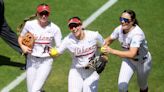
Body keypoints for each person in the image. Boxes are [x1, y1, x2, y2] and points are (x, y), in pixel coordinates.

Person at [50, 17, 105, 92]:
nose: (74, 28)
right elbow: (57, 53)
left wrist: (104, 58)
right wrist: (51, 52)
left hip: (92, 72)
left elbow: (105, 47)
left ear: (81, 25)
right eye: (71, 27)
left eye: (76, 25)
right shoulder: (68, 40)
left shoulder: (94, 36)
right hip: (76, 71)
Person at [101, 10, 152, 92]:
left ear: (132, 21)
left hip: (143, 62)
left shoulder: (137, 34)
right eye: (121, 19)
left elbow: (132, 53)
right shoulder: (119, 29)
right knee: (122, 87)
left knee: (142, 86)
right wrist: (98, 46)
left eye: (126, 20)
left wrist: (111, 51)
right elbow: (108, 40)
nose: (122, 22)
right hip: (128, 60)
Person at [18, 3, 62, 92]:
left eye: (46, 13)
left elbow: (59, 48)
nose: (44, 16)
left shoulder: (55, 29)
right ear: (37, 14)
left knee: (35, 90)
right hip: (31, 61)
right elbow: (20, 37)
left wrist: (56, 53)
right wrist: (23, 47)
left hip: (46, 62)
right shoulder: (29, 24)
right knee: (31, 90)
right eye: (42, 13)